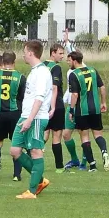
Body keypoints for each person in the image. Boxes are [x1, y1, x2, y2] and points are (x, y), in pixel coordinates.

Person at [10, 40, 53, 199]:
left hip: (35, 118)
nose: (22, 54)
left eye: (24, 51)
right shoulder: (34, 71)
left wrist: (29, 119)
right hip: (25, 116)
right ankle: (40, 180)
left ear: (30, 52)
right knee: (15, 150)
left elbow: (39, 98)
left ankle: (32, 191)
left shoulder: (42, 72)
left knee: (36, 152)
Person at [0, 51, 26, 181]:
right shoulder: (20, 77)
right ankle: (16, 175)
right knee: (17, 144)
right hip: (14, 113)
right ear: (14, 61)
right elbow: (22, 97)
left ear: (2, 61)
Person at [67, 51, 109, 172]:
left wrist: (71, 110)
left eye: (69, 60)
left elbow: (75, 94)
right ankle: (104, 152)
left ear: (75, 61)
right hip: (95, 108)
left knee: (84, 137)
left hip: (82, 110)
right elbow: (102, 87)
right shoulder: (92, 70)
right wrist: (103, 102)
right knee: (98, 134)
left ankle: (92, 165)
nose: (68, 63)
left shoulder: (74, 74)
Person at [42, 44, 68, 173]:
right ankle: (59, 167)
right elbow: (54, 87)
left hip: (42, 105)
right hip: (55, 105)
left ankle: (32, 157)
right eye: (60, 53)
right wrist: (54, 107)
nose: (62, 56)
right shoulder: (56, 67)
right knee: (57, 136)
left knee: (44, 134)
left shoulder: (41, 65)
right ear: (53, 53)